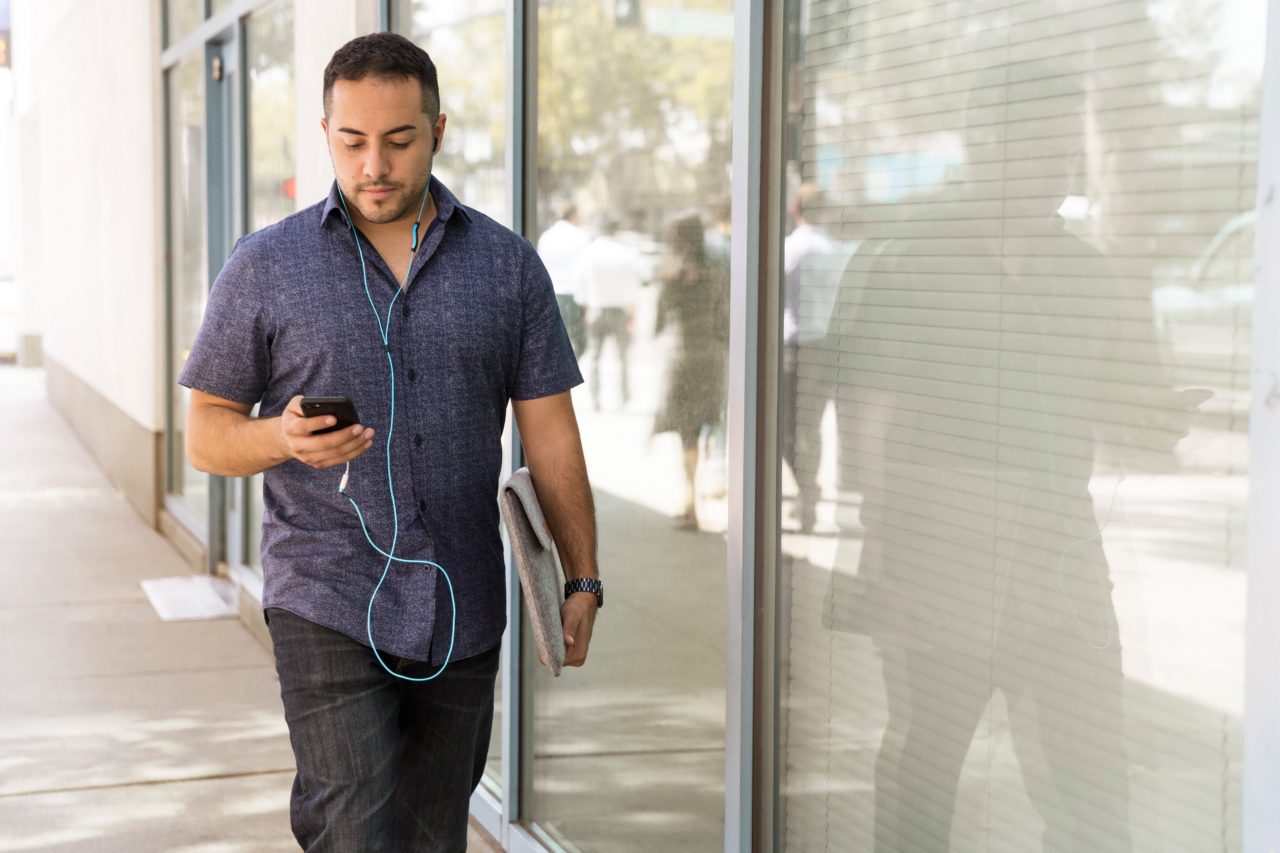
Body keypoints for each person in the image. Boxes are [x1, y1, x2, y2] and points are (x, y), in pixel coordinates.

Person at [179, 33, 602, 853]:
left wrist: (581, 573)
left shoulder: (509, 269)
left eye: (399, 141)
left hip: (464, 602)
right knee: (351, 825)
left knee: (433, 835)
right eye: (352, 141)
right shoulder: (264, 265)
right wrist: (282, 437)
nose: (375, 163)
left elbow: (552, 436)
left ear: (437, 131)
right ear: (327, 132)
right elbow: (206, 434)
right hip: (325, 594)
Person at [652, 212, 730, 529]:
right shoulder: (718, 272)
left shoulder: (670, 275)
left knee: (686, 434)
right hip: (711, 357)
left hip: (682, 359)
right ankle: (701, 491)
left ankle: (691, 502)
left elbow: (657, 324)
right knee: (706, 426)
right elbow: (725, 319)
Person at [575, 218, 645, 410]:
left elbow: (580, 285)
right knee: (623, 357)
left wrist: (584, 310)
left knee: (595, 357)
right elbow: (633, 285)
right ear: (616, 231)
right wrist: (632, 313)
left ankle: (595, 400)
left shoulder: (589, 252)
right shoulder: (625, 253)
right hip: (619, 310)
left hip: (596, 308)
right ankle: (624, 398)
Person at [537, 204, 591, 356]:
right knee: (580, 342)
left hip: (552, 295)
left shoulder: (546, 237)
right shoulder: (582, 237)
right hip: (574, 296)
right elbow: (585, 272)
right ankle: (569, 377)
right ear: (573, 216)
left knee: (556, 343)